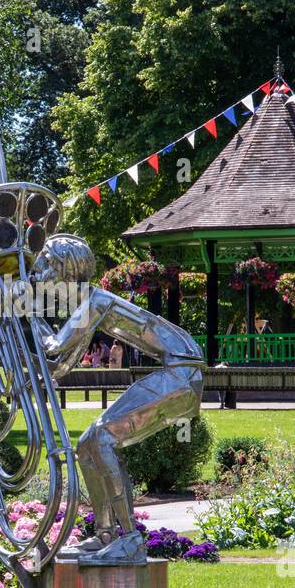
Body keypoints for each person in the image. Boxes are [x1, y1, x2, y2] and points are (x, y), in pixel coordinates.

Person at [30, 234, 203, 566]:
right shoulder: (90, 304)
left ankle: (131, 539)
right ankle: (106, 535)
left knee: (103, 438)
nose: (38, 270)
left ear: (65, 268)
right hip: (182, 371)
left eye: (44, 262)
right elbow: (63, 363)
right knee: (86, 446)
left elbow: (53, 347)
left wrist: (26, 316)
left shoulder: (95, 302)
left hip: (181, 372)